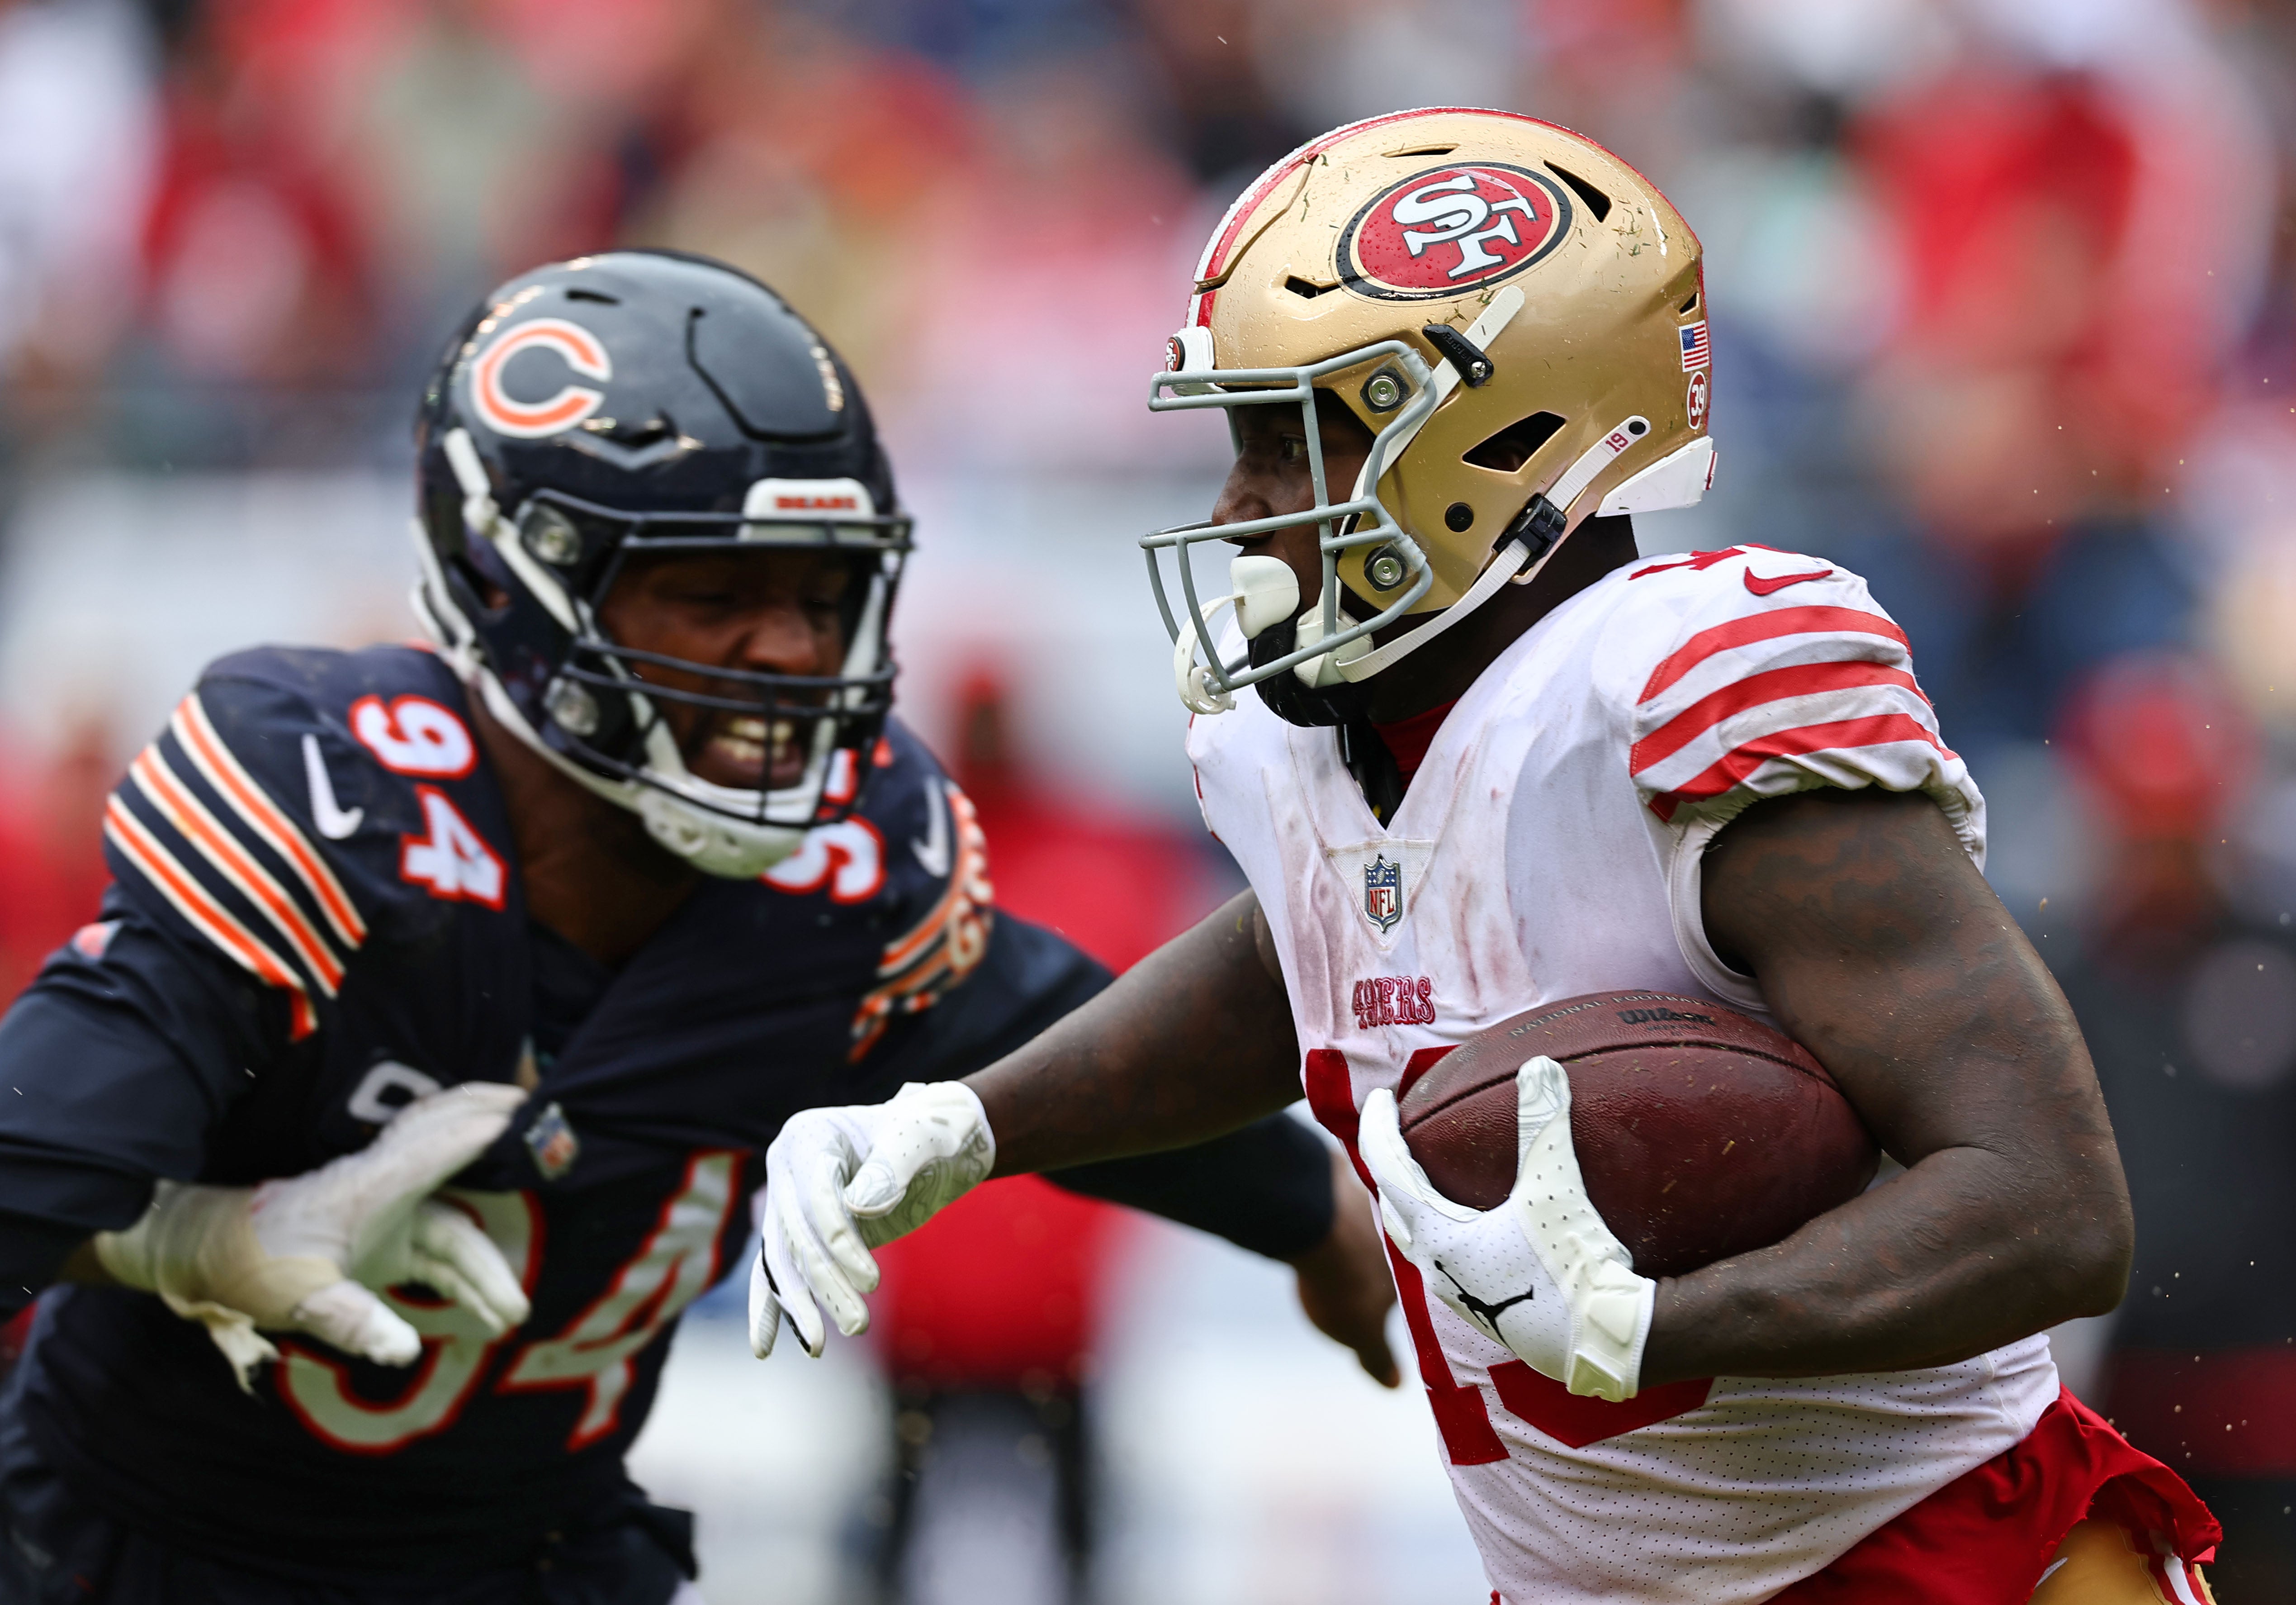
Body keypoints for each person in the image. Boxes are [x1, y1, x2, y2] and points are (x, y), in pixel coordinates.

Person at [754, 110, 2223, 1603]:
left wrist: (1656, 1325)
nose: (1238, 509)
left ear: (1501, 443)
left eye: (1293, 443)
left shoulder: (1680, 702)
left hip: (1952, 1560)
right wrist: (964, 1124)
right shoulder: (1311, 746)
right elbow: (1298, 956)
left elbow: (2053, 1207)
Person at [0, 250, 1396, 1605]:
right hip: (133, 1551)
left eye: (822, 594)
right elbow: (33, 1159)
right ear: (517, 586)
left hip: (539, 1559)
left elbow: (1065, 1047)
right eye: (717, 593)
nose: (789, 650)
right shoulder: (336, 809)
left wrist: (1312, 1210)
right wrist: (180, 1240)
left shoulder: (847, 872)